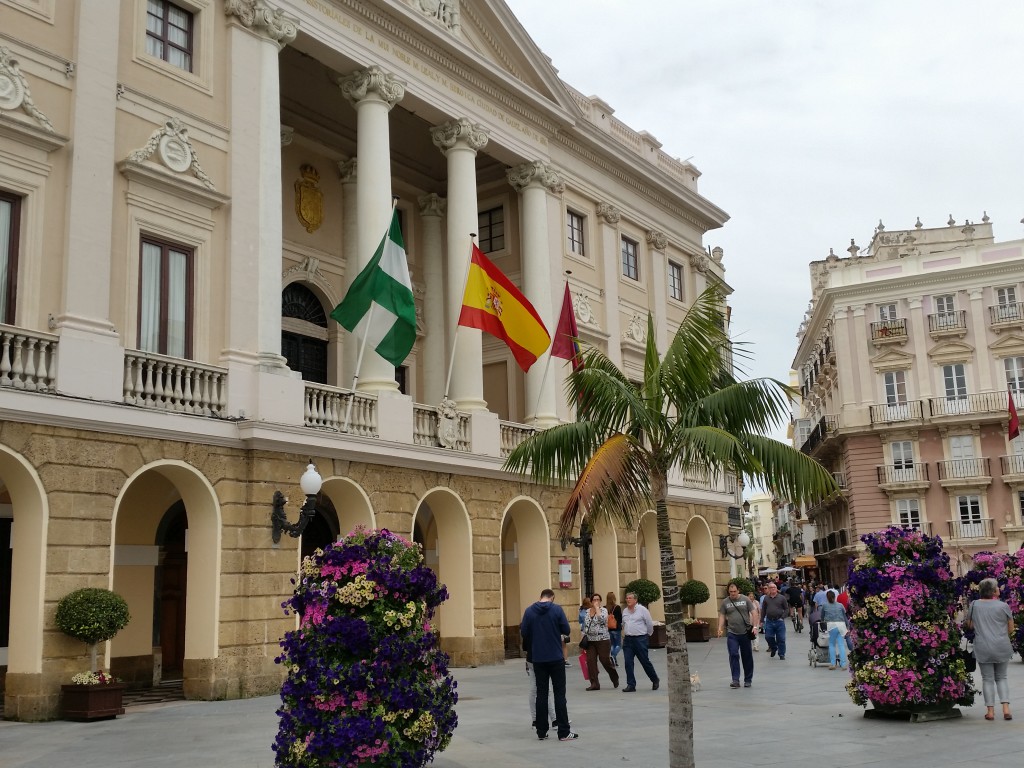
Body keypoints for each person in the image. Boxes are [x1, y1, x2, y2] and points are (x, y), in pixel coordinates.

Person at [521, 589, 579, 741]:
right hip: (555, 657)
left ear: (540, 597)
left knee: (541, 694)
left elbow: (524, 632)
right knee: (559, 694)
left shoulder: (529, 611)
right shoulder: (556, 609)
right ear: (552, 597)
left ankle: (541, 731)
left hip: (538, 658)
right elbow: (566, 630)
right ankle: (564, 732)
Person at [965, 577, 1016, 722]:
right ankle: (1006, 709)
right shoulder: (1003, 606)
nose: (999, 589)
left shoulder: (974, 605)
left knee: (987, 679)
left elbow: (969, 625)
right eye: (997, 588)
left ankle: (990, 712)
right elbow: (1011, 628)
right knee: (1002, 677)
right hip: (1001, 645)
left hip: (982, 646)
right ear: (993, 591)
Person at [717, 581, 758, 688]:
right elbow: (722, 615)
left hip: (745, 632)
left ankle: (748, 679)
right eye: (731, 592)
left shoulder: (745, 599)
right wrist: (720, 628)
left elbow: (754, 613)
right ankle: (735, 679)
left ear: (738, 590)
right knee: (733, 654)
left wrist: (754, 627)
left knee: (747, 657)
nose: (733, 593)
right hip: (732, 633)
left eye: (734, 591)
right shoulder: (725, 602)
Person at [619, 591, 660, 692]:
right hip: (628, 640)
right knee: (628, 662)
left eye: (630, 598)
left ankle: (654, 679)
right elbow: (623, 624)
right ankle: (631, 684)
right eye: (627, 598)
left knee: (644, 661)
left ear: (635, 600)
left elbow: (649, 624)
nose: (628, 600)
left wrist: (647, 635)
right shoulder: (624, 611)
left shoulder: (642, 610)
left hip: (640, 639)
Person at [581, 593, 619, 690]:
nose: (596, 601)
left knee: (605, 660)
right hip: (590, 641)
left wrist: (597, 609)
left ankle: (614, 676)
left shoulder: (604, 610)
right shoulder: (587, 611)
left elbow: (602, 621)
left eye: (598, 599)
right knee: (590, 662)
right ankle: (594, 683)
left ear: (600, 601)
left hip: (603, 640)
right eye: (594, 600)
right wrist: (583, 637)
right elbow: (585, 625)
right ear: (591, 601)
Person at [820, 589, 849, 670]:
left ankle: (833, 663)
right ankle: (843, 664)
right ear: (835, 596)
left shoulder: (824, 606)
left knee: (832, 644)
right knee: (841, 645)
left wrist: (823, 624)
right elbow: (845, 616)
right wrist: (848, 627)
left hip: (831, 626)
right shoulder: (840, 605)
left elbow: (822, 617)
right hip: (841, 625)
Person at [760, 581, 790, 659]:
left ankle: (782, 654)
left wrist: (782, 617)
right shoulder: (766, 598)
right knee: (768, 637)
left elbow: (786, 609)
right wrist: (761, 620)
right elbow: (763, 609)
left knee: (781, 638)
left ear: (777, 589)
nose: (773, 589)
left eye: (774, 587)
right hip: (769, 621)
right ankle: (774, 647)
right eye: (771, 588)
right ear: (769, 589)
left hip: (779, 621)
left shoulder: (781, 598)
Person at [605, 591, 623, 667]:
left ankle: (614, 661)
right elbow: (620, 619)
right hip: (616, 629)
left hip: (609, 629)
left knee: (612, 645)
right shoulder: (617, 607)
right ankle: (613, 656)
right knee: (618, 645)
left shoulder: (604, 608)